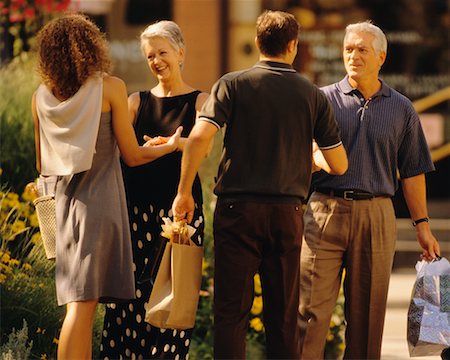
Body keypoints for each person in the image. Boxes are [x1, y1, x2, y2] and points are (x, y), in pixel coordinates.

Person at [172, 10, 348, 359]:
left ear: (257, 43)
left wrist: (183, 192)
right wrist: (306, 160)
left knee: (230, 313)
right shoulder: (312, 95)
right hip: (287, 213)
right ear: (293, 46)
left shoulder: (232, 83)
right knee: (282, 316)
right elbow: (339, 164)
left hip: (237, 212)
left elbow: (198, 138)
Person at [32, 14, 181, 360]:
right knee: (82, 308)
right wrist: (171, 145)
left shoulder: (41, 98)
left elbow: (41, 165)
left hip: (66, 209)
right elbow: (132, 155)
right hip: (99, 208)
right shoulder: (109, 87)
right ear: (90, 47)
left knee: (81, 304)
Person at [298, 21, 441, 360]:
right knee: (309, 315)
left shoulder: (402, 108)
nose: (354, 55)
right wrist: (312, 158)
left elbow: (413, 171)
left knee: (367, 321)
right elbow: (297, 153)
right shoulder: (321, 100)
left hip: (377, 215)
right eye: (349, 49)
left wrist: (422, 225)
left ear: (381, 56)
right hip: (324, 213)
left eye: (362, 49)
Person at [100, 20, 208, 360]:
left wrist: (176, 145)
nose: (157, 60)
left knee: (173, 298)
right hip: (133, 212)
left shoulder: (201, 101)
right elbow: (122, 154)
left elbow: (204, 146)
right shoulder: (135, 101)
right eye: (150, 56)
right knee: (129, 298)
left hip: (179, 212)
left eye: (163, 52)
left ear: (180, 52)